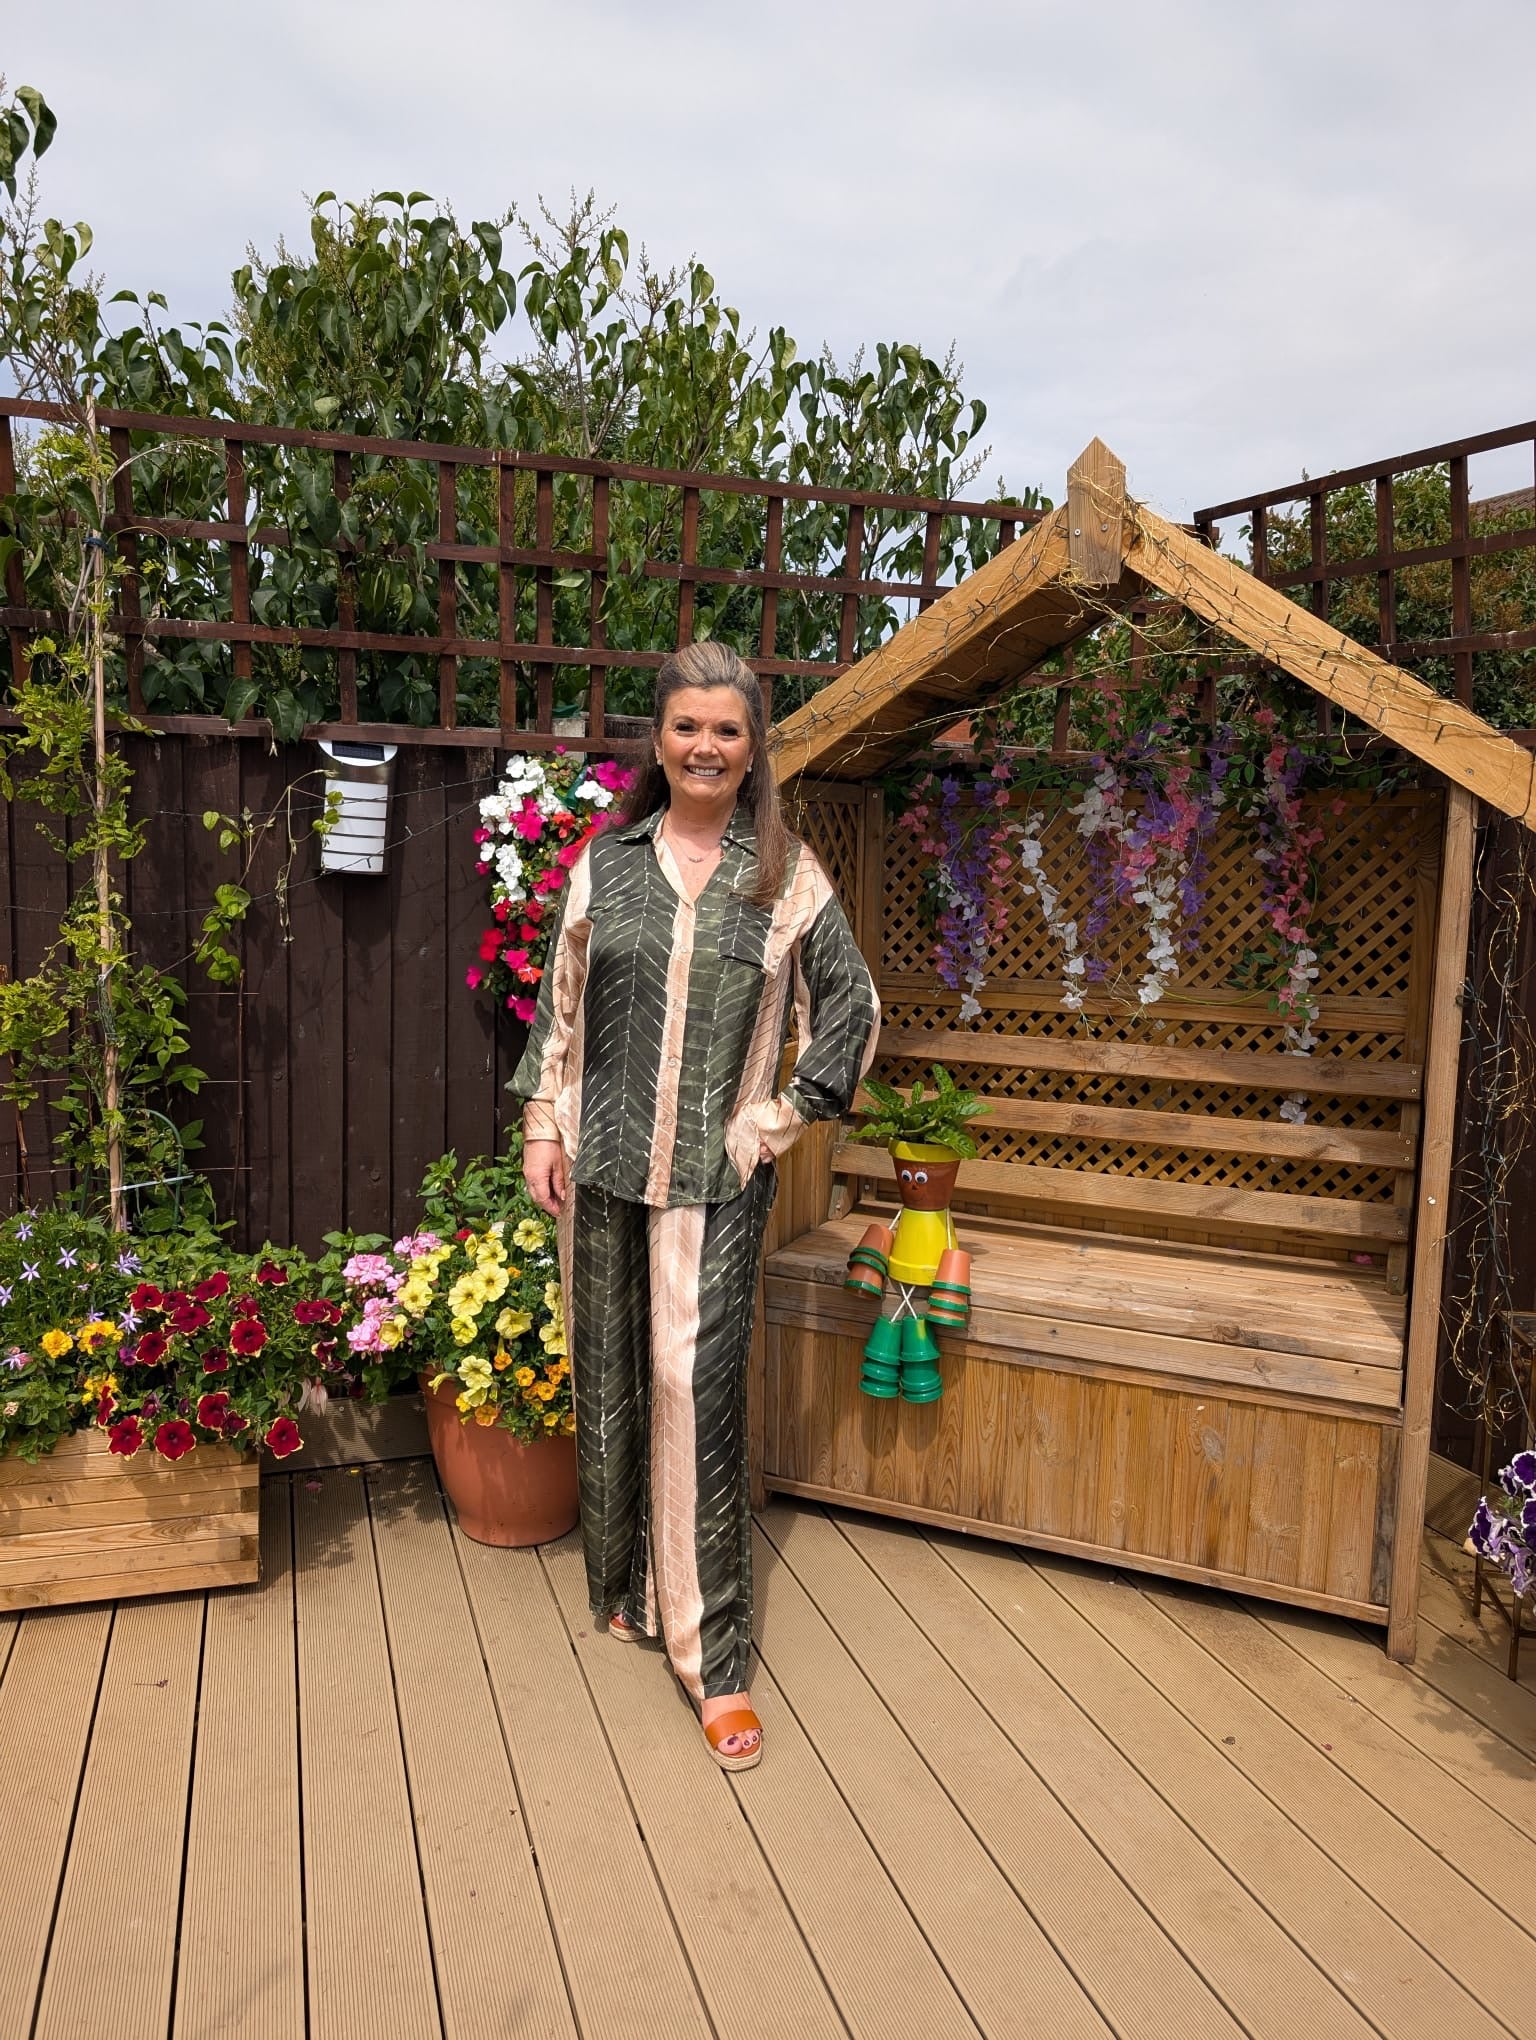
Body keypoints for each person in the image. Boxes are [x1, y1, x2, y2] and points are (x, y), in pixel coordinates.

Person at [509, 641, 880, 1770]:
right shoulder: (605, 866)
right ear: (657, 742)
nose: (706, 747)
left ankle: (714, 1661)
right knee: (612, 1370)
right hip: (602, 1165)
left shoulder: (788, 876)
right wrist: (541, 1121)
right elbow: (560, 1005)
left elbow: (853, 1016)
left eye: (727, 730)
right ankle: (625, 1589)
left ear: (753, 746)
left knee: (694, 1385)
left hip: (714, 1186)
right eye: (687, 728)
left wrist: (772, 1122)